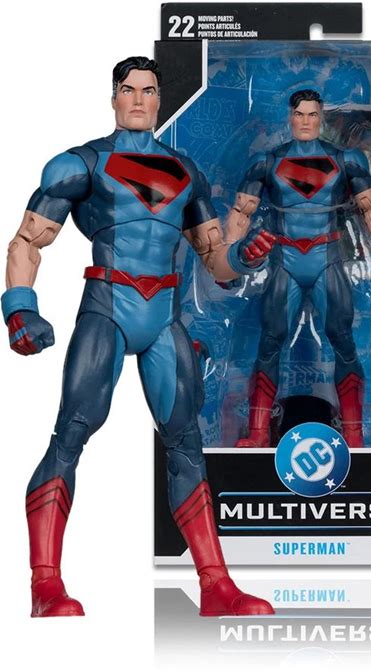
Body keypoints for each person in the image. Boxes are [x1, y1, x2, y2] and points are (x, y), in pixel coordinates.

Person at [2, 56, 274, 618]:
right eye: (128, 90)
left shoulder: (186, 170)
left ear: (159, 100)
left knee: (186, 445)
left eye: (149, 91)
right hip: (108, 307)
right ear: (113, 97)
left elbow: (215, 262)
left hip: (164, 316)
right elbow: (27, 241)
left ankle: (217, 587)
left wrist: (244, 258)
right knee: (71, 435)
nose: (138, 100)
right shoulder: (81, 163)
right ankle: (45, 585)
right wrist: (19, 307)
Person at [226, 89, 371, 449]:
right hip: (284, 261)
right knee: (270, 342)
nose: (305, 121)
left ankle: (354, 433)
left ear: (321, 117)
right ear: (290, 117)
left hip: (327, 259)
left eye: (312, 114)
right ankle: (258, 432)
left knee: (343, 341)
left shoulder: (347, 160)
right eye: (299, 114)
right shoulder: (266, 162)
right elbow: (241, 214)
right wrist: (227, 262)